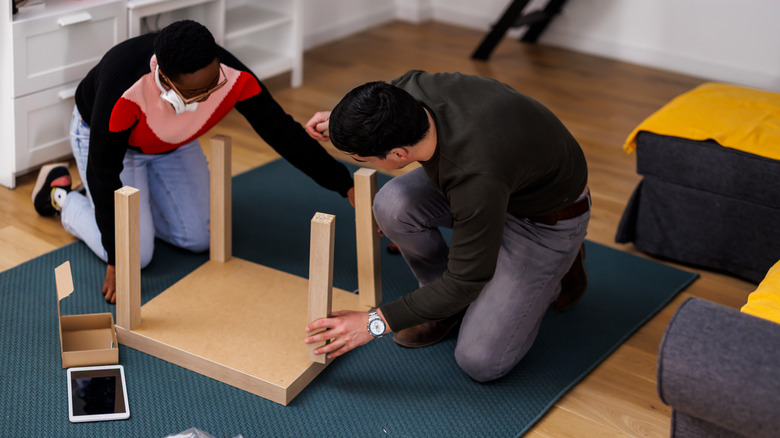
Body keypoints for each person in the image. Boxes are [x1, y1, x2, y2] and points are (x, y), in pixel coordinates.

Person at [32, 20, 354, 304]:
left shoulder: (232, 74)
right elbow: (104, 173)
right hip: (112, 147)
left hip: (172, 143)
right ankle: (62, 196)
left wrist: (345, 184)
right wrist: (117, 257)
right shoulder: (123, 87)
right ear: (165, 78)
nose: (206, 96)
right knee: (138, 257)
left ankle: (140, 204)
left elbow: (282, 132)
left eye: (212, 85)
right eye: (195, 93)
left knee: (199, 239)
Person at [303, 70, 589, 382]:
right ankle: (443, 307)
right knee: (391, 205)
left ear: (398, 154)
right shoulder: (408, 93)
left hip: (541, 219)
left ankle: (562, 261)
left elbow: (467, 281)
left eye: (363, 158)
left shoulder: (474, 176)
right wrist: (343, 123)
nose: (362, 161)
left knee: (480, 361)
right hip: (501, 183)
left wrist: (374, 322)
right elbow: (373, 107)